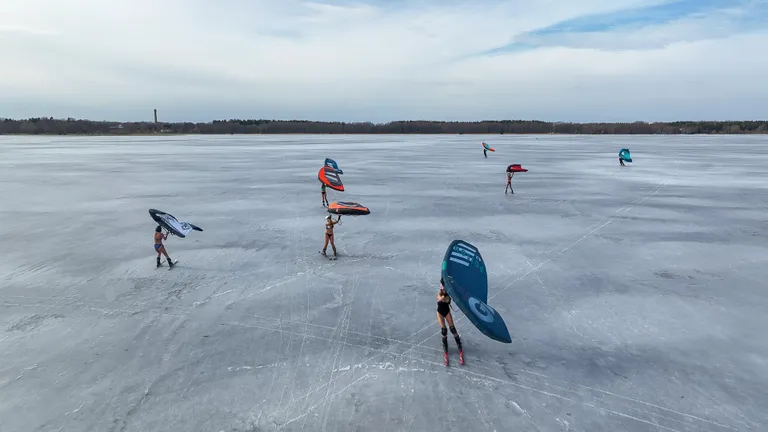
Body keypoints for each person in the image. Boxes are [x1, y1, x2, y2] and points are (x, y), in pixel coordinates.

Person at [437, 278, 464, 366]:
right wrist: (442, 296)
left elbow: (448, 299)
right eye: (443, 289)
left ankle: (459, 344)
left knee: (452, 329)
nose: (444, 290)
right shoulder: (440, 294)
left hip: (447, 312)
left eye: (445, 289)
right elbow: (439, 299)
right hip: (440, 313)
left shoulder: (449, 295)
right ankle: (445, 348)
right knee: (444, 330)